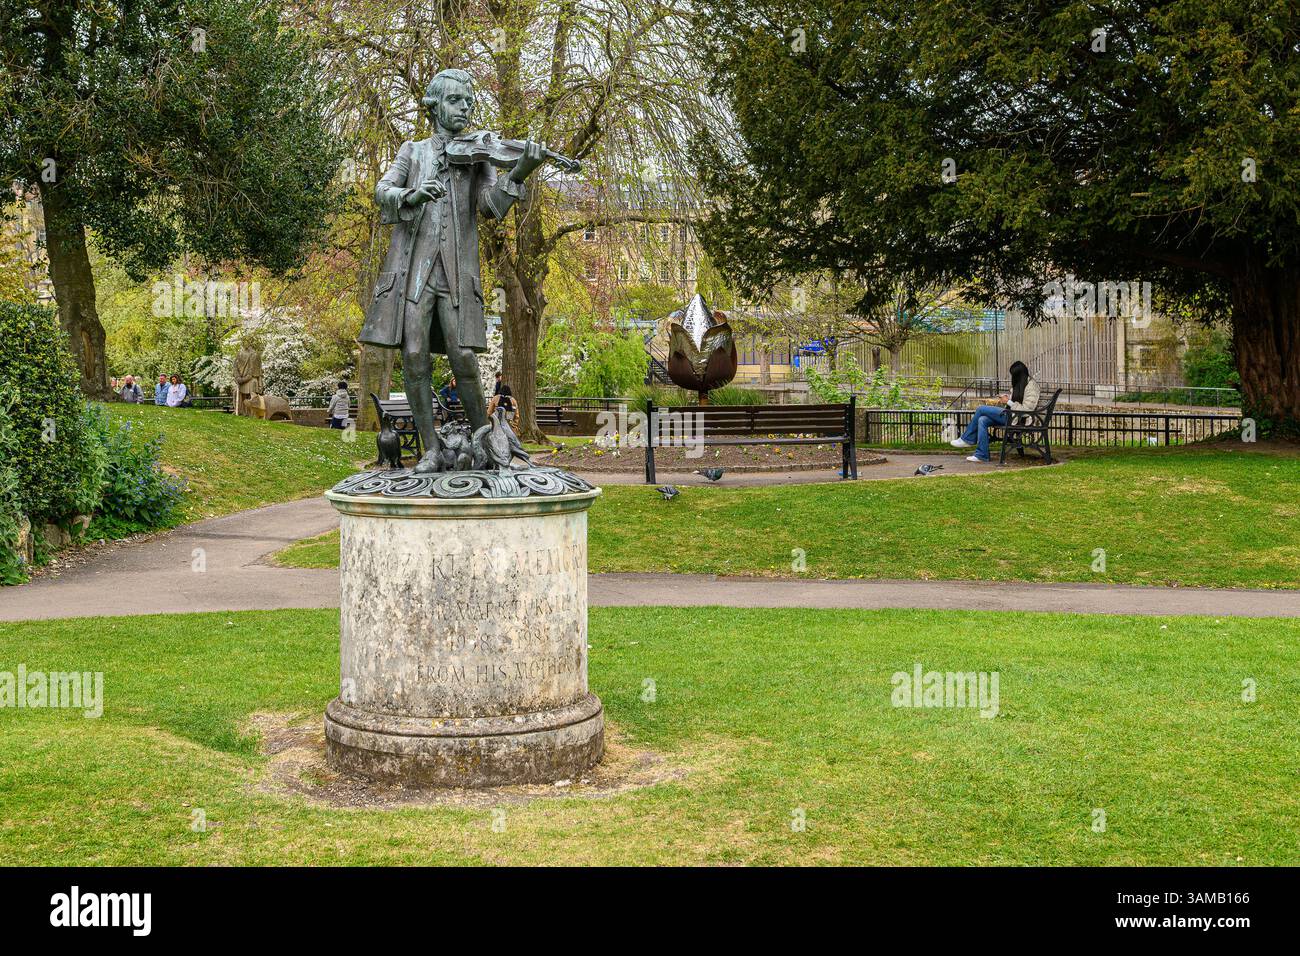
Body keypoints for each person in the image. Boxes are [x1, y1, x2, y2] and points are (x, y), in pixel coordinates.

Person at [356, 67, 546, 475]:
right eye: (456, 100)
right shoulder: (414, 151)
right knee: (413, 355)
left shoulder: (477, 157)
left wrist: (520, 171)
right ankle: (429, 449)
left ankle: (489, 448)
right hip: (414, 275)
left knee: (463, 358)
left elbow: (491, 207)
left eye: (469, 102)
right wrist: (413, 193)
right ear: (435, 105)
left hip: (457, 275)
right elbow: (382, 191)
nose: (465, 108)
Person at [950, 361, 1040, 463]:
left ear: (1019, 375)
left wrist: (1009, 402)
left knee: (981, 409)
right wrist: (1008, 398)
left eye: (1013, 375)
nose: (1012, 378)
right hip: (1012, 415)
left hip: (1018, 419)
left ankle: (967, 439)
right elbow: (1018, 399)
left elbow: (1027, 410)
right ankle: (982, 455)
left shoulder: (1031, 386)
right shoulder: (1022, 383)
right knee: (982, 420)